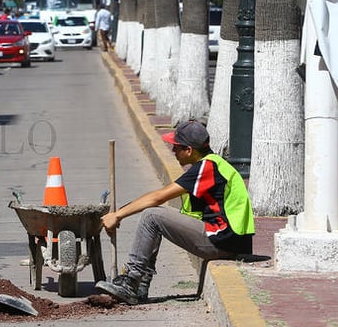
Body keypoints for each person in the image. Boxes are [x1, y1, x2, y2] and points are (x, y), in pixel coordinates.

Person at [96, 121, 255, 305]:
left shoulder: (206, 168)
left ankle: (131, 282)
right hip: (229, 239)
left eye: (176, 147)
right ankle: (140, 285)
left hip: (223, 241)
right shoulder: (213, 164)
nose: (173, 151)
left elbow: (158, 197)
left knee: (151, 216)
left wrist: (118, 215)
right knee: (156, 217)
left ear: (189, 150)